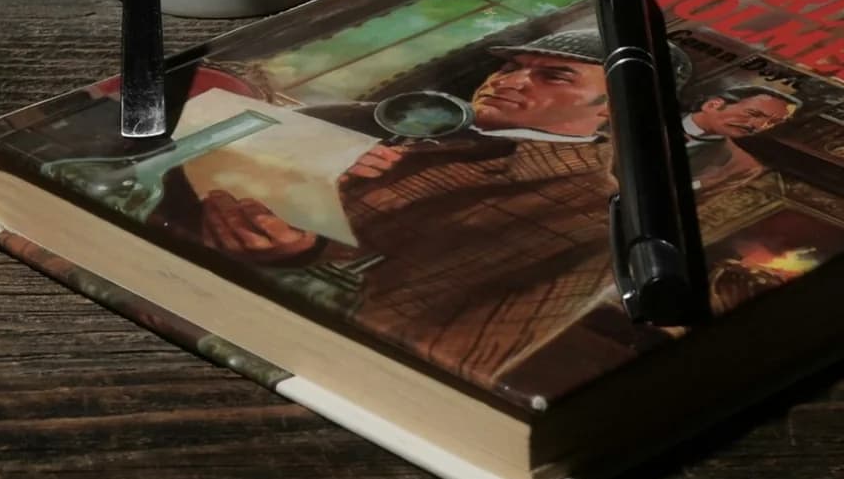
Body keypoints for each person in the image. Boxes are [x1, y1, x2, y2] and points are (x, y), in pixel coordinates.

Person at [187, 28, 695, 386]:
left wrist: (301, 242)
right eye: (514, 66)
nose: (509, 79)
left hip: (359, 362)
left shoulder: (575, 195)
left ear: (613, 110)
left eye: (554, 77)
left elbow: (411, 269)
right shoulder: (417, 122)